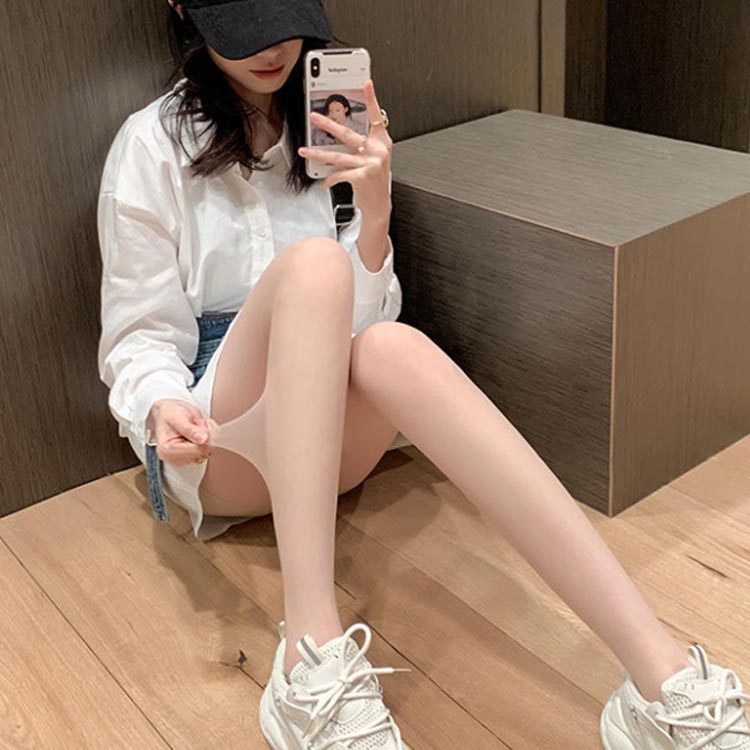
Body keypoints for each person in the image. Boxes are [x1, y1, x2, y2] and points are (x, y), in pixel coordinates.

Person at [95, 1, 750, 748]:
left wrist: (375, 211)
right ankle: (310, 656)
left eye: (285, 19)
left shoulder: (330, 118)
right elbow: (140, 334)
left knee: (392, 346)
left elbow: (360, 323)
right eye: (246, 28)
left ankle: (661, 678)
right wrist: (159, 405)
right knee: (314, 268)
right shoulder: (151, 144)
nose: (273, 49)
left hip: (326, 432)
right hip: (219, 440)